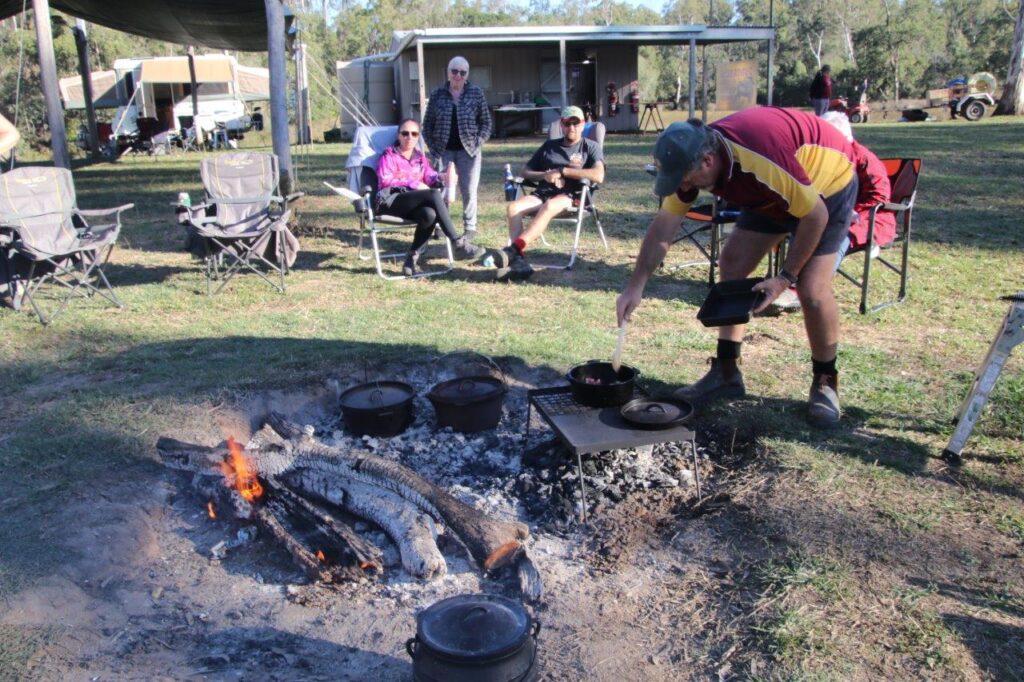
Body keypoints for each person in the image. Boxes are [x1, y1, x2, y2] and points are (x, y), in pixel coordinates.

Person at [616, 108, 858, 427]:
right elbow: (664, 227)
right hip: (772, 194)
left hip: (827, 186)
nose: (685, 187)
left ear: (707, 162)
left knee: (812, 289)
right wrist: (636, 285)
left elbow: (815, 216)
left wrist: (785, 278)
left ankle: (825, 381)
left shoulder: (759, 158)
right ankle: (726, 372)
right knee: (732, 263)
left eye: (686, 179)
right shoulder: (694, 160)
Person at [773, 111, 895, 310]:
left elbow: (879, 197)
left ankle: (803, 290)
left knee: (836, 235)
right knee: (805, 224)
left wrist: (851, 213)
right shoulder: (821, 157)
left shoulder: (865, 159)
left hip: (868, 219)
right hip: (827, 213)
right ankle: (784, 281)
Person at [492, 106, 605, 281]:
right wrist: (545, 175)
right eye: (567, 123)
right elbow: (525, 172)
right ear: (562, 124)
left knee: (550, 205)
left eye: (576, 123)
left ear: (583, 124)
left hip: (571, 197)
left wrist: (563, 171)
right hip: (543, 193)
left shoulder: (590, 147)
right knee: (513, 207)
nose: (571, 127)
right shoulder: (549, 146)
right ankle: (519, 261)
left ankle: (514, 249)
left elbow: (598, 175)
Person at [375, 119, 485, 276]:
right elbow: (386, 180)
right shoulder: (389, 155)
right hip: (389, 201)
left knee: (429, 214)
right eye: (405, 133)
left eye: (414, 134)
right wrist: (413, 184)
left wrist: (443, 178)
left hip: (411, 204)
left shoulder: (419, 158)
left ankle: (411, 259)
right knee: (432, 194)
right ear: (399, 136)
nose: (409, 137)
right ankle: (457, 243)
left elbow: (430, 177)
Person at [421, 56, 492, 242]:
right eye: (454, 71)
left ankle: (470, 227)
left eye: (462, 72)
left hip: (469, 150)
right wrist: (432, 146)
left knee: (469, 189)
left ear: (467, 74)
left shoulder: (476, 93)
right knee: (441, 189)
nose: (458, 76)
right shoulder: (437, 94)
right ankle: (440, 225)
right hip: (442, 150)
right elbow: (427, 124)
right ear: (448, 72)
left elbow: (486, 122)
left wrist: (478, 142)